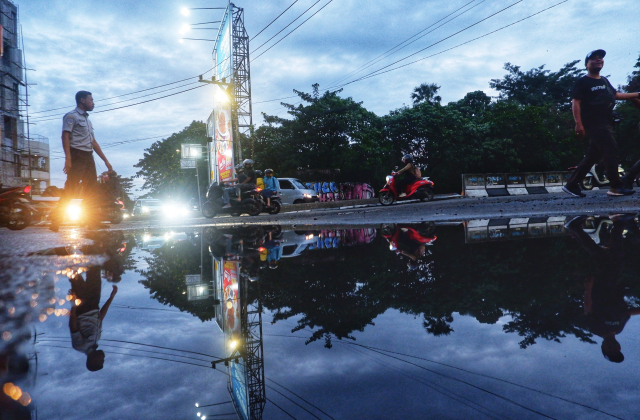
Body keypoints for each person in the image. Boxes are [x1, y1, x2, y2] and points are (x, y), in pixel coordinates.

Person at [563, 50, 640, 198]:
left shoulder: (604, 80)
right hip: (594, 123)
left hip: (606, 121)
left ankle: (572, 184)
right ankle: (616, 186)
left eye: (600, 58)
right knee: (611, 150)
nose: (598, 60)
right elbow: (575, 102)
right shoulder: (583, 81)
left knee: (593, 155)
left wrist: (636, 94)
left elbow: (616, 95)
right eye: (594, 59)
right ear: (587, 64)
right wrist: (578, 124)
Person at [565, 214, 640, 362]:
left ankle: (618, 224)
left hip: (601, 286)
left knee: (615, 258)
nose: (614, 348)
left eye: (610, 350)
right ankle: (576, 228)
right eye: (617, 350)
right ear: (619, 347)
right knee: (604, 256)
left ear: (604, 347)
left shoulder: (597, 329)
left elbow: (588, 308)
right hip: (616, 285)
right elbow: (628, 312)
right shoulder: (618, 329)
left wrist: (588, 288)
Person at [50, 91, 113, 231]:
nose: (93, 102)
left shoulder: (88, 121)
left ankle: (92, 221)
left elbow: (93, 142)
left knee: (92, 190)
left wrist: (106, 161)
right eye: (91, 100)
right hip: (77, 156)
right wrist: (68, 158)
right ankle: (55, 219)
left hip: (88, 157)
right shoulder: (71, 116)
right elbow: (65, 136)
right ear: (82, 100)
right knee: (71, 189)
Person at [68, 267, 118, 371]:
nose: (103, 358)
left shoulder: (80, 346)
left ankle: (60, 252)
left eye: (101, 360)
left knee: (73, 271)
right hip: (95, 301)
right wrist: (111, 296)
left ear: (93, 360)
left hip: (82, 304)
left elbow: (73, 326)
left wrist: (73, 302)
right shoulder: (97, 338)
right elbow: (100, 317)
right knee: (94, 269)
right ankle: (91, 251)